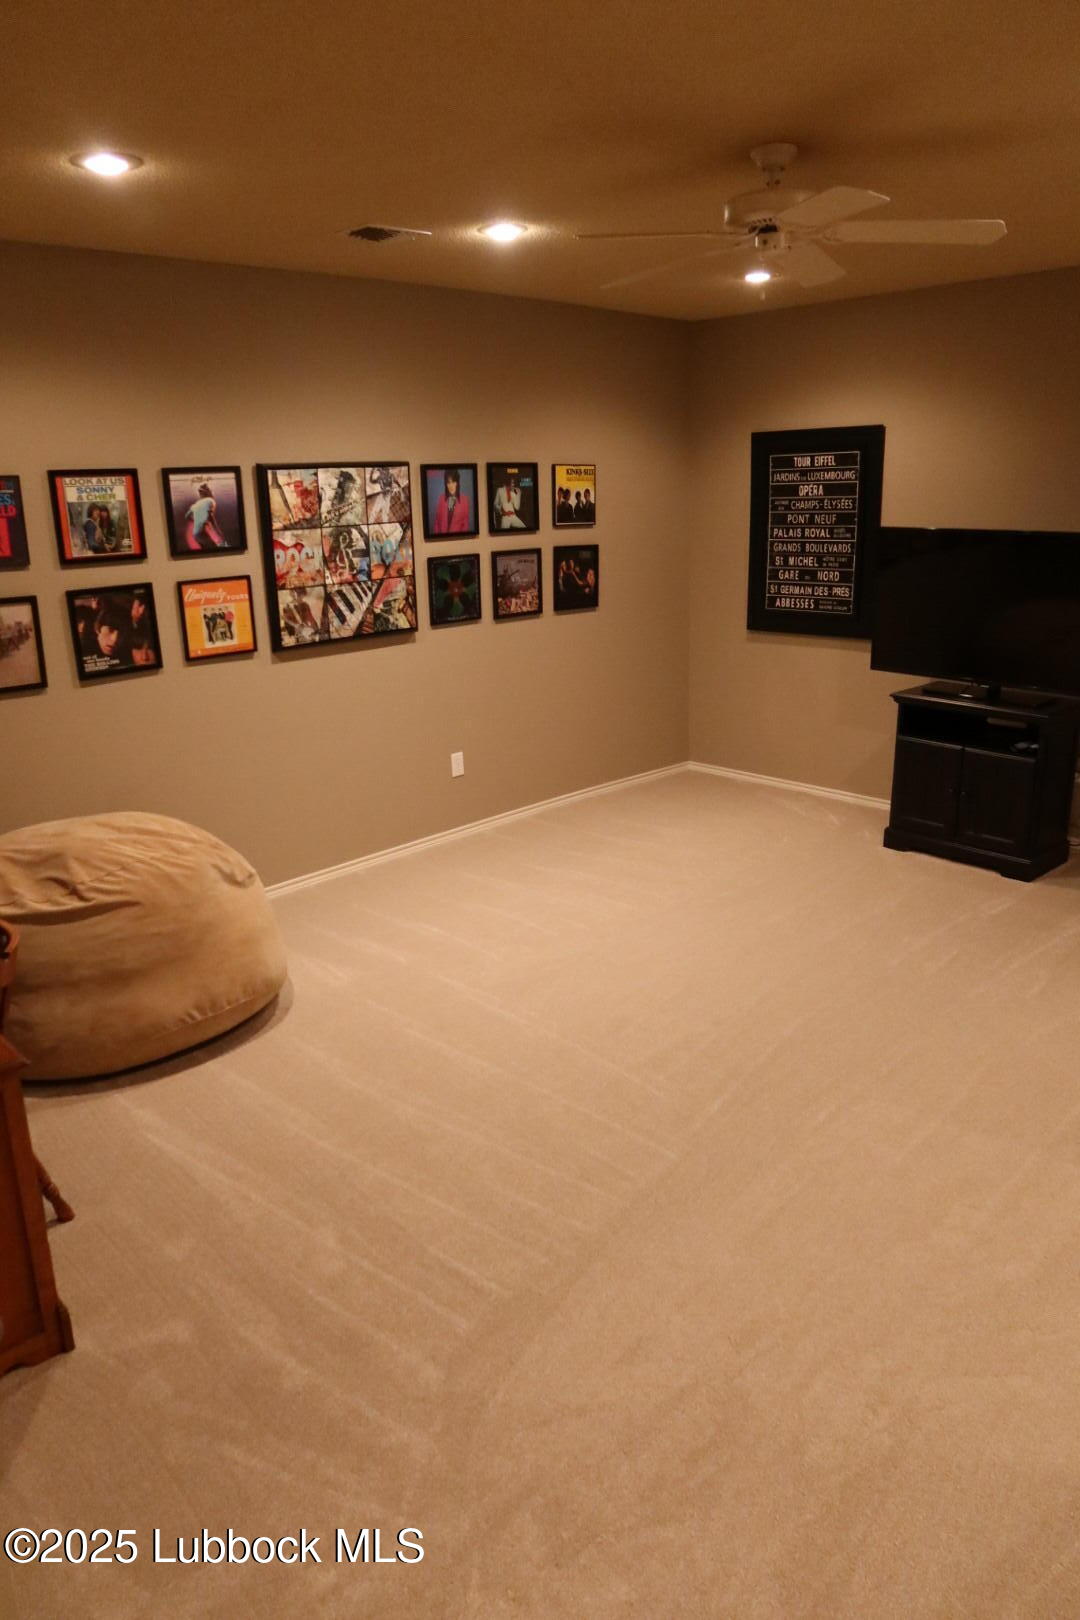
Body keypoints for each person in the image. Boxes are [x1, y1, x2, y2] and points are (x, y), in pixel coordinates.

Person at [185, 483, 225, 550]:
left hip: (195, 534)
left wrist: (198, 520)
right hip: (202, 532)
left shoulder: (195, 504)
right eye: (210, 490)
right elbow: (211, 517)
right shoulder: (210, 500)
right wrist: (218, 531)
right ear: (208, 492)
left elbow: (187, 516)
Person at [432, 468, 472, 534]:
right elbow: (437, 522)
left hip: (457, 541)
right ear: (446, 484)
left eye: (453, 482)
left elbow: (465, 526)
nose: (451, 486)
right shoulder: (441, 498)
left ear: (457, 483)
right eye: (448, 483)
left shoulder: (465, 500)